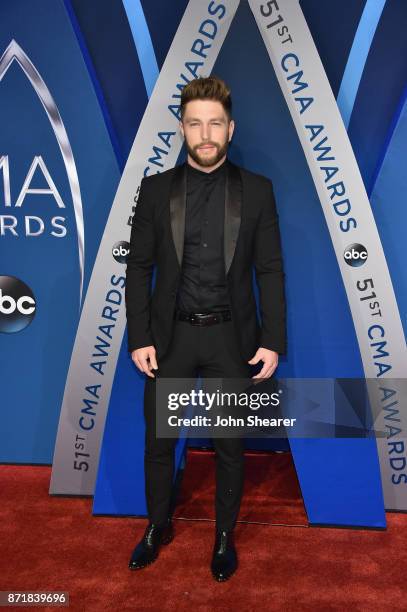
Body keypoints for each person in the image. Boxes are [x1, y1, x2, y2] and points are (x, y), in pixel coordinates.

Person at [125, 75, 286, 581]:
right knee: (159, 441)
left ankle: (223, 537)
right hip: (169, 339)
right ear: (182, 129)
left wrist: (273, 340)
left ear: (230, 128)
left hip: (229, 341)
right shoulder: (155, 191)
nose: (206, 133)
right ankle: (157, 526)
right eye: (195, 123)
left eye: (215, 123)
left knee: (229, 446)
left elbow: (269, 270)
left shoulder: (257, 192)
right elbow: (139, 268)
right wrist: (140, 336)